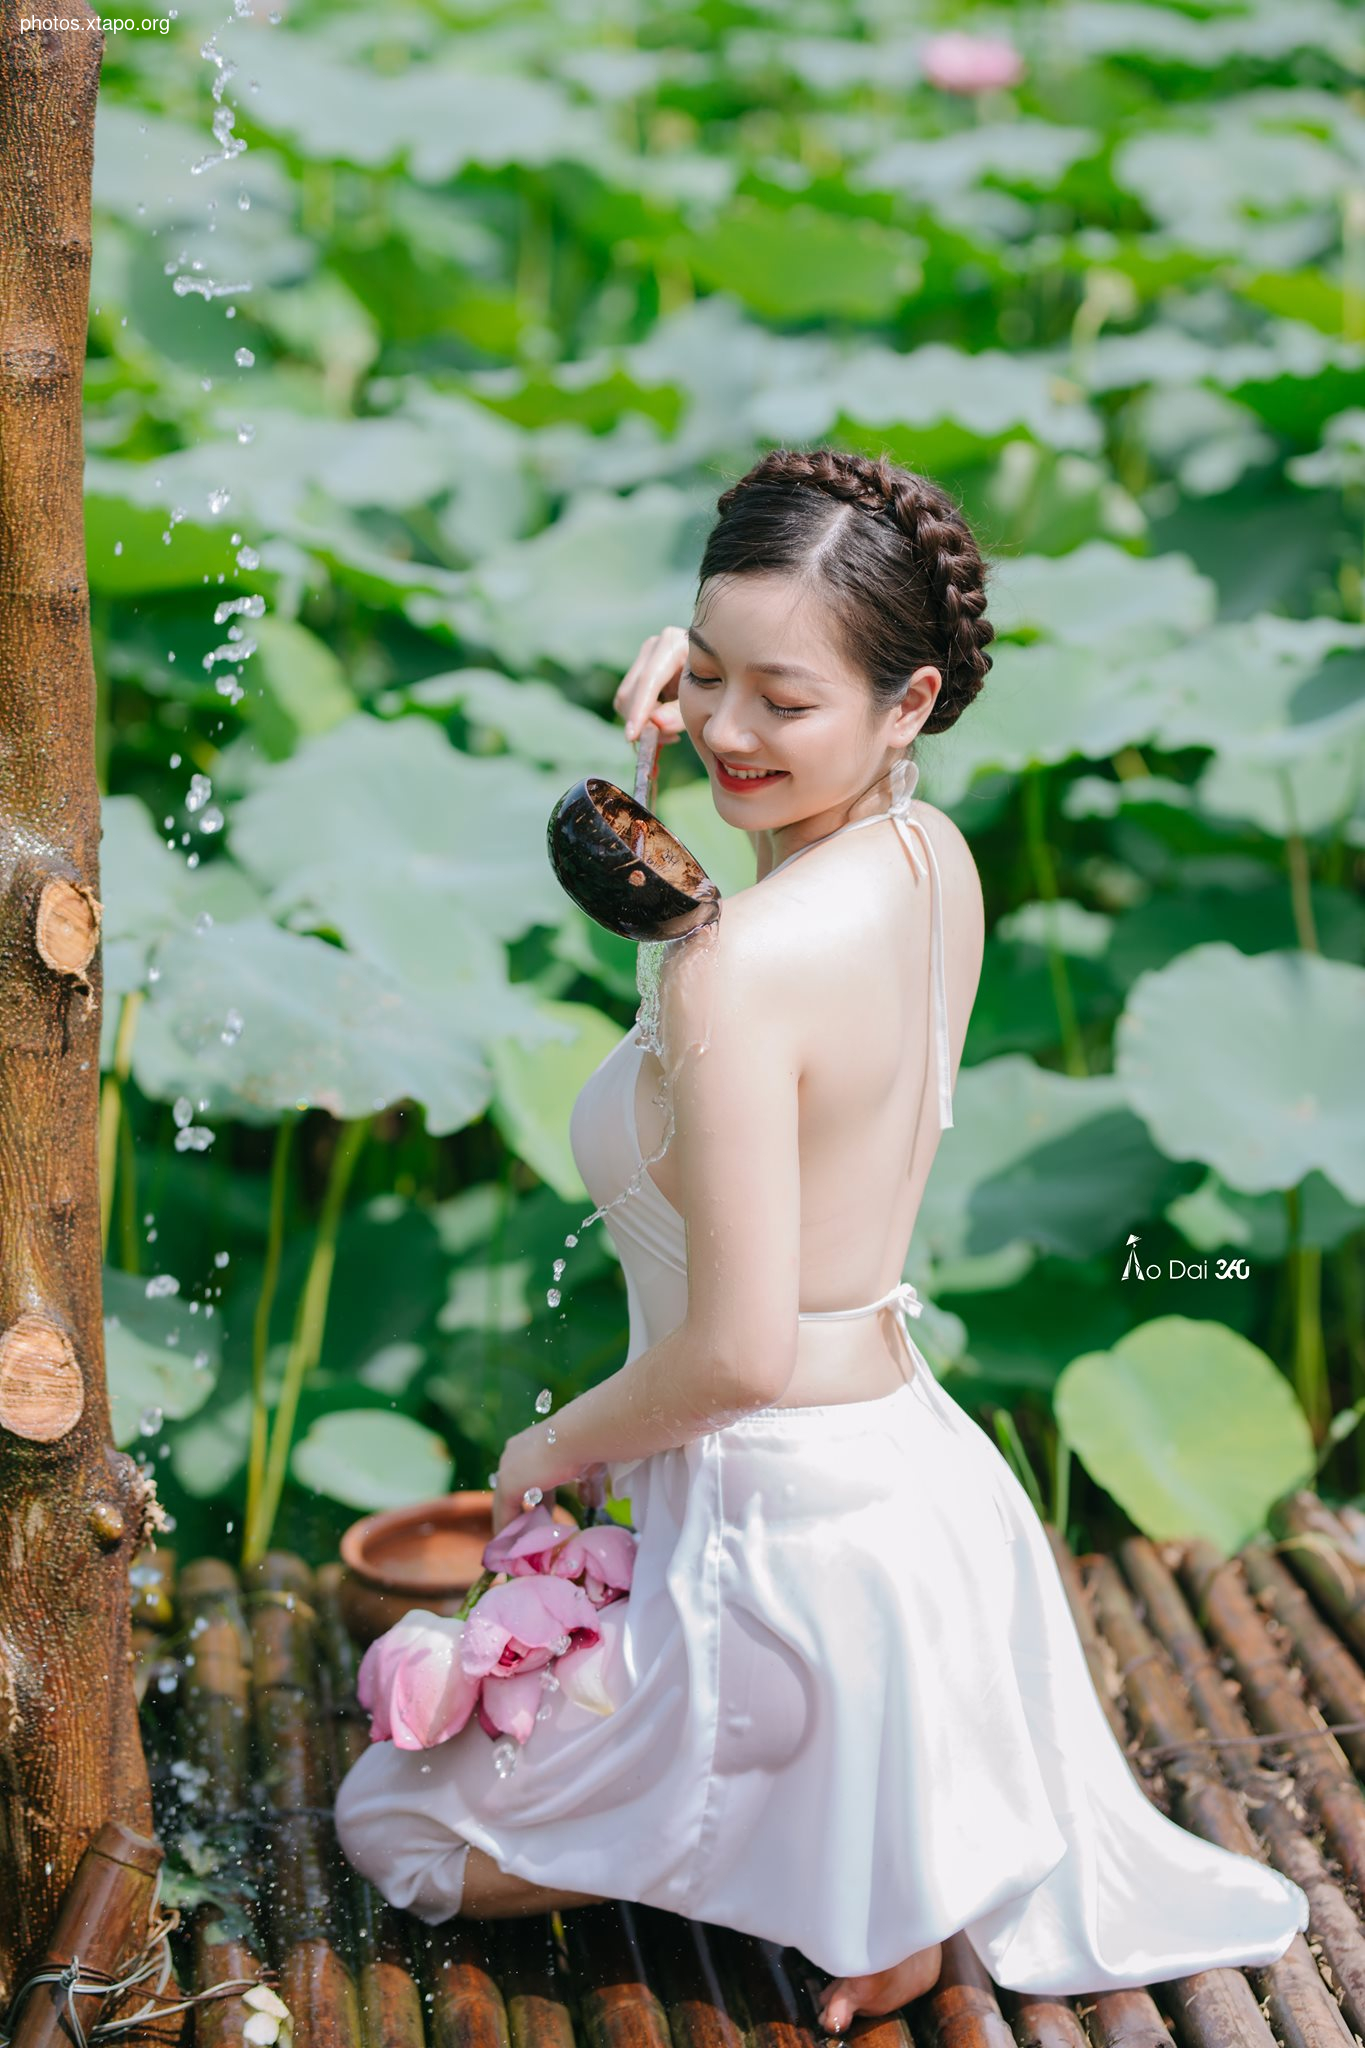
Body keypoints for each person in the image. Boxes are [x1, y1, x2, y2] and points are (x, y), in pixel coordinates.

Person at [334, 447, 1309, 2024]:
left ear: (908, 701)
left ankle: (827, 1847)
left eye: (779, 702)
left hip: (769, 1557)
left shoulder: (740, 966)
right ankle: (868, 1859)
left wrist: (548, 1450)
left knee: (390, 1820)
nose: (723, 726)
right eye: (701, 673)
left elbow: (733, 1350)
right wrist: (640, 782)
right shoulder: (930, 859)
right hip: (917, 1514)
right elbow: (741, 945)